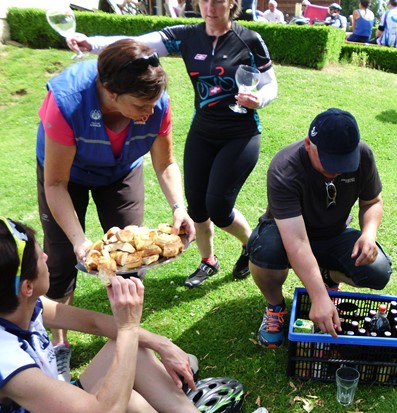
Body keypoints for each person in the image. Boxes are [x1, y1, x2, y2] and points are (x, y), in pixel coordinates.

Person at [0, 217, 286, 413]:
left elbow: (92, 323)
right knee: (124, 401)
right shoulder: (4, 361)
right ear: (26, 286)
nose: (48, 258)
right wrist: (129, 328)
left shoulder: (19, 304)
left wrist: (160, 343)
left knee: (130, 349)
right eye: (40, 258)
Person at [68, 0, 278, 290]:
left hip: (240, 135)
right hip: (203, 132)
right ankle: (208, 261)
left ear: (231, 4)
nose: (210, 7)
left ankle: (249, 245)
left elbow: (270, 85)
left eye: (218, 1)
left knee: (218, 208)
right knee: (196, 208)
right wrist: (90, 43)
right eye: (204, 0)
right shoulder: (188, 36)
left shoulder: (249, 40)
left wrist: (260, 99)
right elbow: (136, 44)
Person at [36, 39, 196, 383]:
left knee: (130, 260)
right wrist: (80, 241)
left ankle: (130, 341)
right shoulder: (66, 101)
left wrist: (179, 207)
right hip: (67, 177)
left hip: (121, 169)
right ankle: (59, 346)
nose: (149, 112)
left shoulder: (155, 101)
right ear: (110, 91)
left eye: (154, 103)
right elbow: (55, 185)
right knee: (63, 258)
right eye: (141, 104)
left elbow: (165, 161)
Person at [247, 109, 392, 349]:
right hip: (286, 234)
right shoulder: (284, 167)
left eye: (345, 163)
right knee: (264, 251)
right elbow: (297, 242)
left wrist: (369, 234)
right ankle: (275, 307)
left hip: (333, 233)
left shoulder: (363, 156)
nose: (337, 171)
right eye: (330, 163)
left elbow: (372, 202)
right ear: (308, 144)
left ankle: (327, 275)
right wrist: (318, 296)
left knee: (377, 271)